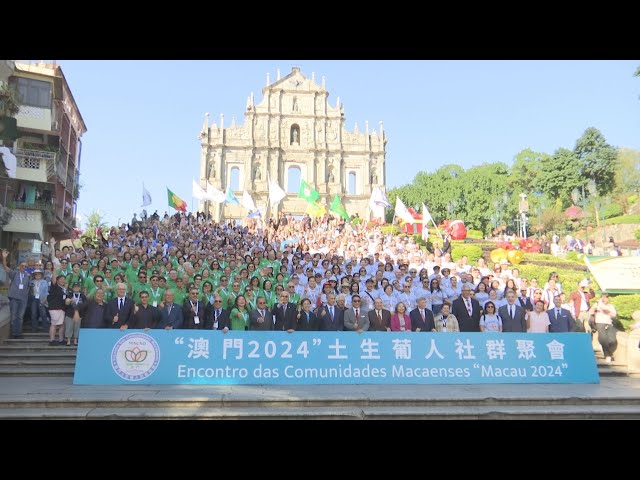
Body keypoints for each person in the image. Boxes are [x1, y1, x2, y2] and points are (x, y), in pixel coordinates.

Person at [2, 250, 31, 339]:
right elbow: (5, 267)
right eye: (22, 266)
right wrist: (4, 258)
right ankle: (13, 333)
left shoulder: (28, 276)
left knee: (20, 317)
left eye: (25, 266)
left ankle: (18, 333)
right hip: (14, 297)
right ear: (19, 267)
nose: (24, 267)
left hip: (23, 299)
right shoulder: (15, 273)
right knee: (14, 316)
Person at [590, 292, 618, 362]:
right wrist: (594, 310)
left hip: (609, 323)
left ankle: (607, 350)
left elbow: (614, 315)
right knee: (603, 339)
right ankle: (608, 355)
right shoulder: (597, 304)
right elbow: (591, 311)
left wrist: (607, 311)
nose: (604, 299)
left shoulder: (610, 306)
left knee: (612, 340)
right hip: (600, 322)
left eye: (606, 297)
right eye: (603, 297)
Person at [47, 275, 67, 346]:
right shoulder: (55, 287)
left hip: (62, 309)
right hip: (54, 308)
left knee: (62, 324)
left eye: (64, 279)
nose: (62, 280)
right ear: (57, 280)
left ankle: (61, 340)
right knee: (54, 324)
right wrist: (55, 268)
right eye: (61, 279)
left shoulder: (63, 289)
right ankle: (52, 340)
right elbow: (53, 280)